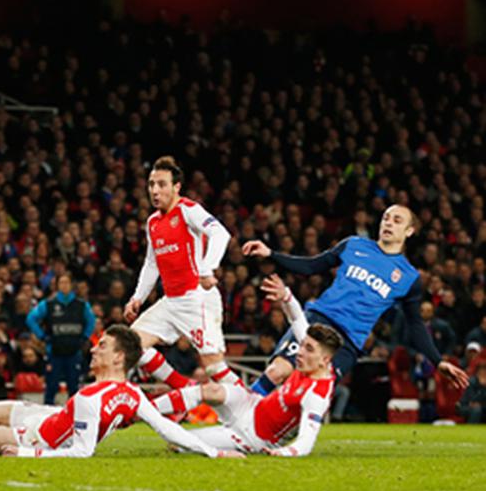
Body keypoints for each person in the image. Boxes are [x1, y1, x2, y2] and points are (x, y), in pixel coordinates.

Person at [0, 325, 242, 459]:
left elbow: (82, 452)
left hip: (41, 434)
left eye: (101, 346)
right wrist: (213, 452)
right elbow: (169, 430)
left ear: (119, 356)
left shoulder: (94, 398)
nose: (93, 349)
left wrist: (28, 452)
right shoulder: (133, 396)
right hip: (47, 416)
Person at [242, 204, 469, 395]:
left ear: (409, 231)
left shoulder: (409, 278)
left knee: (310, 394)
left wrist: (437, 361)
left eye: (397, 220)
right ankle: (239, 419)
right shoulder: (354, 245)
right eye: (386, 218)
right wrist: (271, 254)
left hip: (348, 342)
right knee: (277, 371)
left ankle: (271, 438)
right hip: (318, 321)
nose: (388, 223)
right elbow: (312, 266)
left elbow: (415, 324)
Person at [163, 275, 340, 457]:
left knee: (178, 442)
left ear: (324, 360)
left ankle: (148, 411)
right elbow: (296, 319)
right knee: (211, 390)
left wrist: (284, 452)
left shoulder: (317, 395)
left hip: (253, 437)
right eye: (302, 346)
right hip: (251, 405)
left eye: (308, 349)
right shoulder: (314, 361)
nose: (300, 352)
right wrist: (286, 295)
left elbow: (306, 443)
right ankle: (144, 410)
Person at [124, 157, 238, 411]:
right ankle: (185, 388)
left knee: (214, 367)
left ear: (176, 187)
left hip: (198, 298)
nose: (155, 190)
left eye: (162, 184)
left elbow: (221, 233)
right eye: (151, 184)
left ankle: (255, 409)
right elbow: (152, 264)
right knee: (128, 345)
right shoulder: (152, 222)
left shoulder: (188, 210)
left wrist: (207, 267)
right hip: (171, 301)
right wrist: (137, 298)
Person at [26, 273, 95, 404]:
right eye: (61, 283)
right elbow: (30, 319)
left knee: (74, 388)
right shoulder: (48, 304)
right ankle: (46, 417)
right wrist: (42, 336)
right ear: (57, 286)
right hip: (54, 351)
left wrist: (85, 337)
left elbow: (91, 321)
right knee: (51, 387)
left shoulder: (82, 305)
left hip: (74, 352)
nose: (64, 285)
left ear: (72, 285)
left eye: (67, 282)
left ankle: (75, 418)